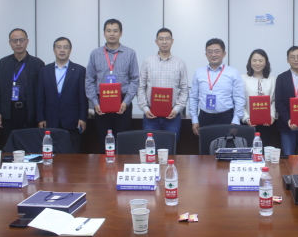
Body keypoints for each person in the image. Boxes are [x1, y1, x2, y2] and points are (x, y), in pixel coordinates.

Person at [85, 19, 139, 152]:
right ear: (104, 33)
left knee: (122, 141)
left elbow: (135, 79)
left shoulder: (130, 53)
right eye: (108, 31)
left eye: (115, 31)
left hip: (122, 101)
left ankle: (121, 165)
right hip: (101, 102)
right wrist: (95, 103)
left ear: (121, 33)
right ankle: (105, 165)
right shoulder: (95, 53)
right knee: (104, 141)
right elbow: (89, 80)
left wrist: (126, 102)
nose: (112, 34)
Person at [0, 28, 45, 145]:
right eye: (14, 41)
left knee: (29, 145)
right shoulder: (3, 63)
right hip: (9, 112)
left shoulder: (37, 63)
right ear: (10, 43)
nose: (18, 43)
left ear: (27, 41)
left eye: (21, 40)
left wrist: (41, 116)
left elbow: (42, 93)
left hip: (29, 112)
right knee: (10, 145)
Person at [37, 37, 88, 153]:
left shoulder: (80, 70)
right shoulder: (44, 70)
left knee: (73, 154)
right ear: (54, 50)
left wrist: (83, 118)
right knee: (51, 153)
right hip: (50, 120)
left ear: (70, 50)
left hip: (73, 120)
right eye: (59, 47)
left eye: (65, 47)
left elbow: (83, 97)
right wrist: (41, 118)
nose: (62, 50)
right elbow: (40, 97)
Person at [137, 28, 189, 142]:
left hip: (172, 117)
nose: (164, 42)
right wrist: (145, 109)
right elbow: (141, 87)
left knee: (170, 149)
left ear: (172, 41)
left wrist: (176, 110)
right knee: (150, 149)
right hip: (151, 117)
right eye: (161, 39)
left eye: (167, 39)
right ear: (156, 42)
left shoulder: (180, 63)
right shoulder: (147, 62)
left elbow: (184, 89)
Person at [189, 38, 244, 136]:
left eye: (217, 51)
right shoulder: (199, 73)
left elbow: (239, 98)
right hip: (204, 117)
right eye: (210, 52)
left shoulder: (233, 73)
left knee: (226, 145)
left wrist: (236, 120)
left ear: (224, 53)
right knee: (205, 145)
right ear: (206, 54)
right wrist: (194, 120)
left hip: (226, 117)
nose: (213, 55)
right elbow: (193, 98)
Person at [242, 49, 276, 145]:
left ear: (266, 63)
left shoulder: (272, 79)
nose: (257, 63)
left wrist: (271, 116)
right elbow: (239, 101)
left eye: (261, 60)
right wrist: (247, 118)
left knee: (264, 149)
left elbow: (273, 100)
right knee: (248, 150)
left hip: (266, 124)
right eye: (254, 60)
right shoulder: (242, 79)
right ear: (250, 62)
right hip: (248, 124)